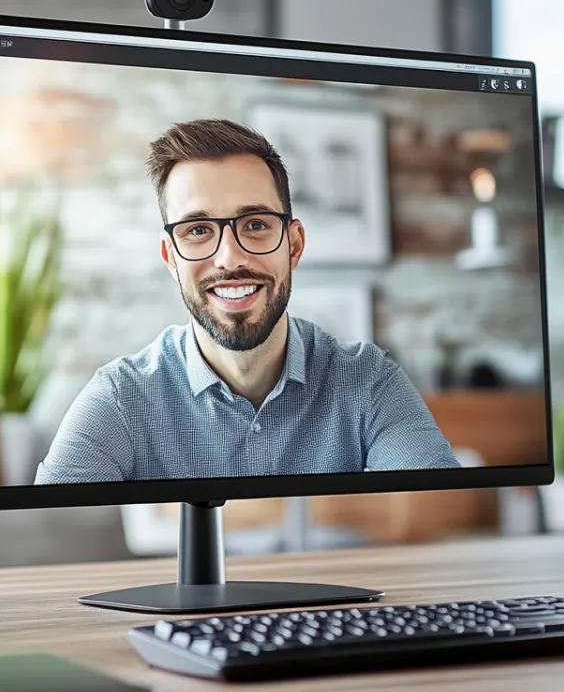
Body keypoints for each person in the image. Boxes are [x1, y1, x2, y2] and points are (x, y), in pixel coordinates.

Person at [34, 119, 459, 484]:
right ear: (170, 257)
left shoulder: (369, 383)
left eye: (255, 224)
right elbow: (46, 543)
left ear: (293, 245)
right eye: (198, 230)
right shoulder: (121, 398)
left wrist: (186, 509)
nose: (229, 258)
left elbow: (441, 517)